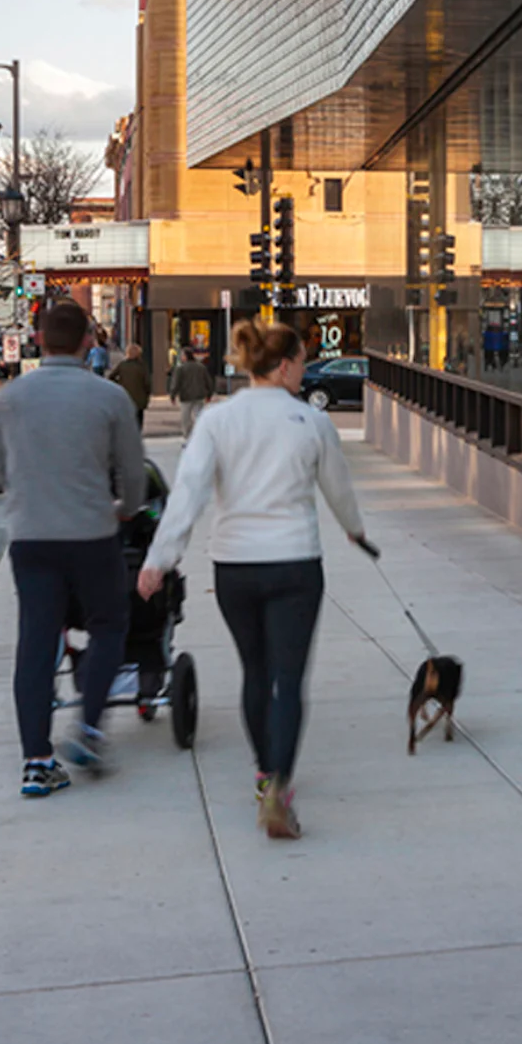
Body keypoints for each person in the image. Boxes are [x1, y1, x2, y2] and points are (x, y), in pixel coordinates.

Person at [139, 318, 372, 839]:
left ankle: (265, 773)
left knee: (255, 671)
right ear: (284, 366)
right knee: (288, 679)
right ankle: (278, 789)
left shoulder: (217, 421)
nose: (305, 370)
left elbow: (189, 494)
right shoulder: (310, 421)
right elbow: (338, 487)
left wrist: (159, 559)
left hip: (235, 566)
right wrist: (354, 529)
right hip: (294, 563)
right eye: (303, 362)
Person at [0, 297, 146, 798]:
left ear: (39, 340)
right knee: (108, 623)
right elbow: (133, 474)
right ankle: (90, 728)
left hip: (30, 536)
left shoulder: (9, 398)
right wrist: (125, 508)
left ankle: (36, 761)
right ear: (87, 341)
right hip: (92, 533)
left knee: (36, 642)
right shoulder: (109, 397)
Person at [170, 345, 217, 440]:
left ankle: (188, 437)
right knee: (199, 417)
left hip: (186, 396)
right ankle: (200, 435)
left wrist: (173, 395)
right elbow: (208, 381)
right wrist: (209, 394)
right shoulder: (201, 367)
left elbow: (176, 383)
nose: (181, 357)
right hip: (199, 395)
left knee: (186, 418)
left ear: (186, 356)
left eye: (182, 355)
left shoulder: (181, 368)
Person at [110, 341, 151, 425]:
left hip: (125, 396)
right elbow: (147, 383)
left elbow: (111, 377)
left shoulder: (122, 365)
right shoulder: (142, 366)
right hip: (139, 399)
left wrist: (119, 383)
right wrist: (147, 394)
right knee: (138, 420)